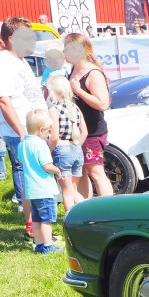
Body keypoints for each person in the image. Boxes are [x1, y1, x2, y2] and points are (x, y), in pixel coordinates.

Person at [1, 17, 46, 241]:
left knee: (34, 179)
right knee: (33, 180)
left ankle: (35, 227)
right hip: (21, 133)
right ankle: (36, 230)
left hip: (31, 131)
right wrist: (22, 132)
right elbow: (4, 100)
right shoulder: (5, 62)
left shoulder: (18, 60)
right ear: (11, 39)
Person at [65, 33, 113, 199]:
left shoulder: (93, 73)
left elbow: (102, 104)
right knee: (81, 170)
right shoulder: (73, 70)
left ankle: (109, 212)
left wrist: (78, 91)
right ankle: (86, 209)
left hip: (92, 131)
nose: (64, 52)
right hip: (76, 131)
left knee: (96, 170)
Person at [19, 109, 63, 254]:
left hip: (31, 190)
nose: (49, 134)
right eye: (48, 131)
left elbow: (21, 161)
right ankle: (48, 246)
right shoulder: (41, 145)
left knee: (36, 220)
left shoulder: (23, 144)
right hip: (44, 188)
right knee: (46, 220)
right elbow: (46, 166)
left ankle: (39, 245)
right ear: (41, 129)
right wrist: (57, 170)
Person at [45, 75, 86, 212]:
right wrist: (76, 145)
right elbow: (84, 132)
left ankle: (70, 222)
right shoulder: (75, 108)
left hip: (62, 151)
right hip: (76, 149)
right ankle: (86, 216)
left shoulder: (54, 109)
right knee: (74, 190)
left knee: (67, 192)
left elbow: (54, 137)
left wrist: (47, 152)